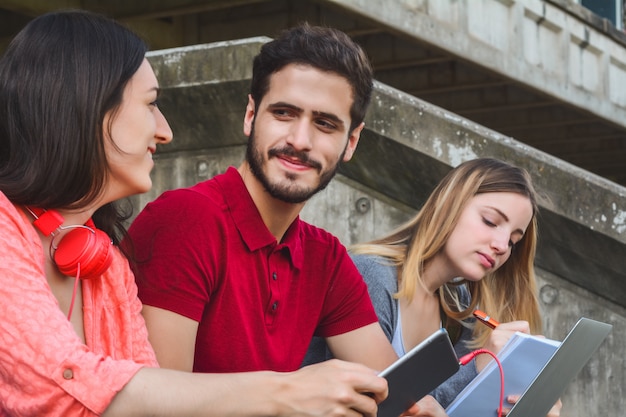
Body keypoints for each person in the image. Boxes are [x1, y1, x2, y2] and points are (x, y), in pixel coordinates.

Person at [0, 11, 392, 417]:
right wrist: (287, 393)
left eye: (325, 124)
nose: (165, 131)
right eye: (151, 104)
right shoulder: (8, 230)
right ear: (86, 106)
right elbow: (71, 386)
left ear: (352, 141)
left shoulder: (105, 261)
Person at [304, 157, 561, 415]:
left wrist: (515, 399)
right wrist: (478, 369)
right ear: (448, 205)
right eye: (490, 221)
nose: (502, 245)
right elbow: (389, 408)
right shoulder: (369, 275)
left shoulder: (459, 307)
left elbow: (447, 406)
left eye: (514, 241)